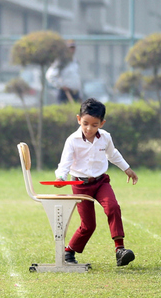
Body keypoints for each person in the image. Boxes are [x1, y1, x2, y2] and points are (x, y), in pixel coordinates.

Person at [55, 98, 139, 267]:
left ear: (102, 123)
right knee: (88, 225)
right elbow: (65, 162)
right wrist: (60, 178)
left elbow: (113, 154)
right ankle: (69, 251)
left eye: (94, 125)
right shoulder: (72, 140)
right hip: (80, 186)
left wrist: (127, 168)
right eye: (85, 123)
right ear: (78, 119)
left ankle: (119, 250)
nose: (89, 128)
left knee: (113, 208)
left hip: (101, 182)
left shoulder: (105, 137)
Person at [46, 39, 82, 104]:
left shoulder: (75, 61)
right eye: (70, 48)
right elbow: (50, 75)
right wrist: (61, 86)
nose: (72, 50)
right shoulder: (61, 61)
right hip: (65, 94)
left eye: (73, 48)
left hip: (75, 93)